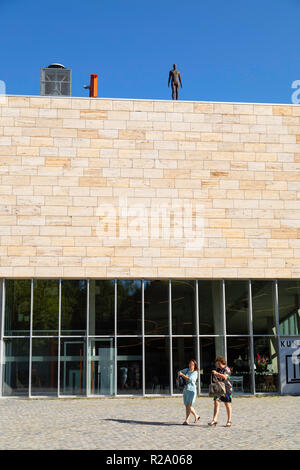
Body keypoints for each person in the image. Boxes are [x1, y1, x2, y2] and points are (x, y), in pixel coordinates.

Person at [208, 356, 232, 427]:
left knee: (227, 404)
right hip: (218, 389)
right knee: (216, 403)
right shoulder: (218, 369)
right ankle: (214, 420)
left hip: (226, 389)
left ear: (222, 362)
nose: (218, 365)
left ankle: (229, 421)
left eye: (219, 363)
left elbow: (225, 377)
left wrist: (216, 374)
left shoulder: (227, 369)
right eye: (217, 364)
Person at [178, 359, 200, 425]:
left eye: (192, 364)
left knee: (189, 405)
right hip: (186, 390)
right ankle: (196, 415)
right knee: (187, 405)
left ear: (195, 365)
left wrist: (182, 375)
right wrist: (180, 373)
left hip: (192, 390)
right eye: (190, 364)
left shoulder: (195, 372)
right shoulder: (187, 370)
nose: (191, 365)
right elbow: (180, 372)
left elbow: (190, 379)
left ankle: (186, 420)